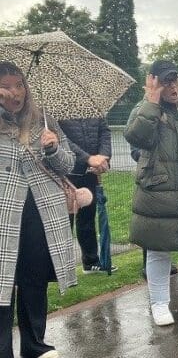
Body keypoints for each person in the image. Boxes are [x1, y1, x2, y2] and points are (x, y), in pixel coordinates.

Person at [0, 61, 77, 358]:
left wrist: (54, 148)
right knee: (3, 281)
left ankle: (33, 343)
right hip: (5, 216)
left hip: (39, 214)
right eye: (6, 86)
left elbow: (69, 164)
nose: (14, 92)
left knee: (33, 279)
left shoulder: (43, 120)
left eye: (19, 85)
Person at [124, 60, 178, 326]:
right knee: (158, 251)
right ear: (155, 83)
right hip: (158, 193)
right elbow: (136, 137)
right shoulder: (145, 109)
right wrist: (151, 100)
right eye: (166, 82)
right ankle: (159, 303)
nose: (173, 87)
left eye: (175, 81)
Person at [57, 107, 117, 273]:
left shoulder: (94, 105)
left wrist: (103, 157)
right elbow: (62, 139)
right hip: (66, 172)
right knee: (63, 221)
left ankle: (91, 262)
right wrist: (88, 158)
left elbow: (104, 132)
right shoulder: (56, 109)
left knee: (87, 218)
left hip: (90, 172)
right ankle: (60, 267)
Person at [129, 144, 178, 279]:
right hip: (152, 175)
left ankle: (163, 262)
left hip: (173, 175)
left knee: (168, 221)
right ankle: (148, 265)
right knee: (152, 222)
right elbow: (136, 151)